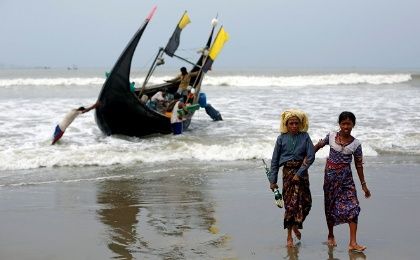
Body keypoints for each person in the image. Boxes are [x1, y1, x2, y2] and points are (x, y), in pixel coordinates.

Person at [314, 111, 371, 252]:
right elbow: (317, 147)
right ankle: (331, 235)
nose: (346, 126)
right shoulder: (332, 136)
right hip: (330, 178)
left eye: (349, 124)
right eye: (343, 123)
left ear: (353, 125)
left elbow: (358, 165)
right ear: (339, 124)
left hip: (346, 180)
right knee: (330, 206)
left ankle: (353, 242)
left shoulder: (356, 144)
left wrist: (364, 185)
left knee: (354, 207)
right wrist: (305, 159)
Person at [269, 109, 315, 248]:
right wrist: (273, 180)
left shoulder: (305, 137)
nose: (294, 126)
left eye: (296, 123)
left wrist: (299, 173)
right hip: (287, 173)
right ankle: (289, 236)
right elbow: (275, 161)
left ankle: (296, 225)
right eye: (291, 123)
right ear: (286, 124)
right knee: (290, 205)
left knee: (306, 203)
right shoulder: (281, 138)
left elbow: (311, 156)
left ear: (300, 124)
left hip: (302, 174)